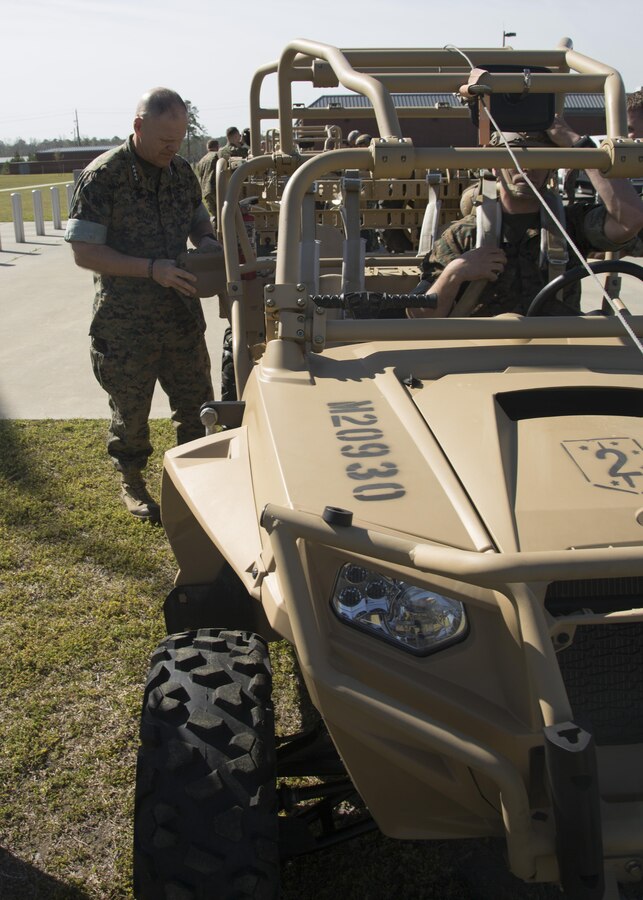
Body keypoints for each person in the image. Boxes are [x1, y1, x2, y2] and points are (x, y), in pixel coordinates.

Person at [65, 87, 222, 522]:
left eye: (180, 140)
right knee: (132, 411)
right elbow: (84, 251)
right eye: (164, 141)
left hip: (180, 316)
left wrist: (207, 242)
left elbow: (198, 219)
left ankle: (196, 482)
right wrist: (151, 269)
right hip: (125, 321)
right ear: (138, 127)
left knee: (196, 406)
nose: (173, 149)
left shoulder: (181, 172)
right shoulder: (103, 177)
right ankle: (132, 483)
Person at [410, 116, 643, 318]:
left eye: (538, 159)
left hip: (560, 354)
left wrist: (578, 145)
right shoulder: (463, 235)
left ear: (553, 166)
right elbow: (420, 317)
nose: (526, 169)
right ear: (494, 166)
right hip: (482, 356)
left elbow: (630, 220)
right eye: (514, 158)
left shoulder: (570, 225)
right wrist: (456, 272)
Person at [195, 138, 220, 220]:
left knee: (214, 216)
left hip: (205, 191)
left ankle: (214, 231)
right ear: (217, 146)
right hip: (216, 189)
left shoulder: (202, 160)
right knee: (223, 214)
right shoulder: (217, 156)